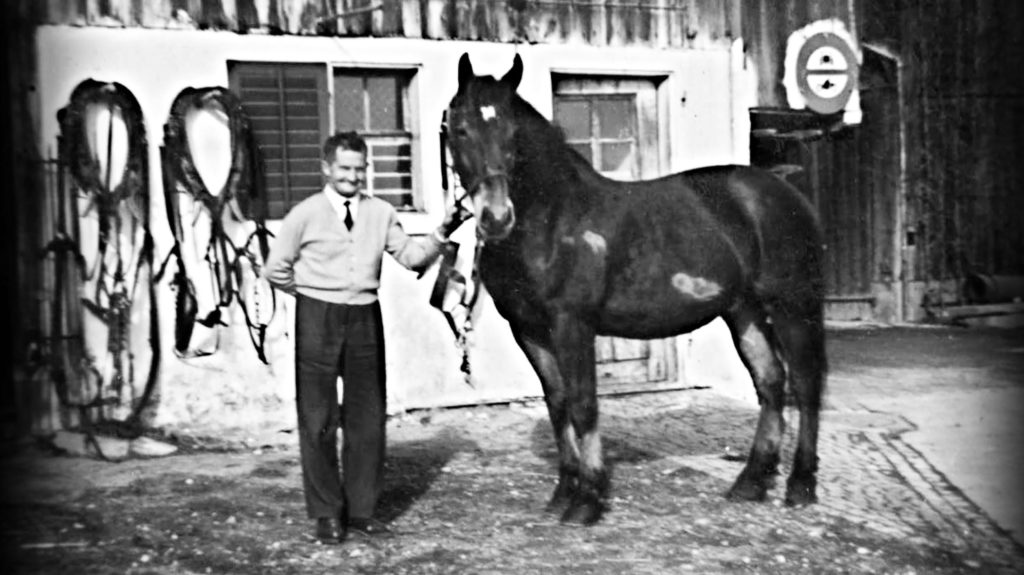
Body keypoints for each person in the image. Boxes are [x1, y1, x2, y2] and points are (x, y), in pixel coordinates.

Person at [263, 131, 469, 544]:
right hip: (316, 318)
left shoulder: (380, 213)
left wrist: (444, 228)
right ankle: (326, 514)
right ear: (327, 168)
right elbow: (276, 269)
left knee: (367, 417)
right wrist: (312, 294)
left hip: (364, 319)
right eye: (344, 168)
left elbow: (411, 258)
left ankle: (361, 512)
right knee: (318, 419)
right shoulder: (303, 214)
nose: (353, 176)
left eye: (360, 169)